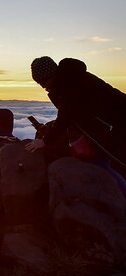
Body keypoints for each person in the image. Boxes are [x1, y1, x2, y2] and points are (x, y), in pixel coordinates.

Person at [25, 56, 126, 192]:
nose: (44, 87)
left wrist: (44, 141)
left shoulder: (69, 84)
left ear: (51, 76)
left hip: (116, 126)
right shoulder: (71, 78)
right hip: (111, 126)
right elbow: (74, 113)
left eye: (44, 82)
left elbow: (66, 115)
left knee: (103, 166)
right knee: (104, 164)